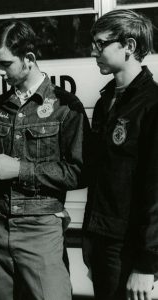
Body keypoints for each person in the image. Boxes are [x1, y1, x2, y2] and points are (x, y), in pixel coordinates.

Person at [0, 20, 90, 300]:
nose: (0, 72)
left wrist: (20, 170)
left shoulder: (65, 106)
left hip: (41, 227)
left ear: (29, 59)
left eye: (6, 64)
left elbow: (80, 171)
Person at [82, 9, 158, 300]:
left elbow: (155, 191)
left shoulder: (152, 104)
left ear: (129, 46)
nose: (93, 51)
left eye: (101, 43)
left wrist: (146, 264)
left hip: (130, 246)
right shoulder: (106, 102)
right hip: (101, 240)